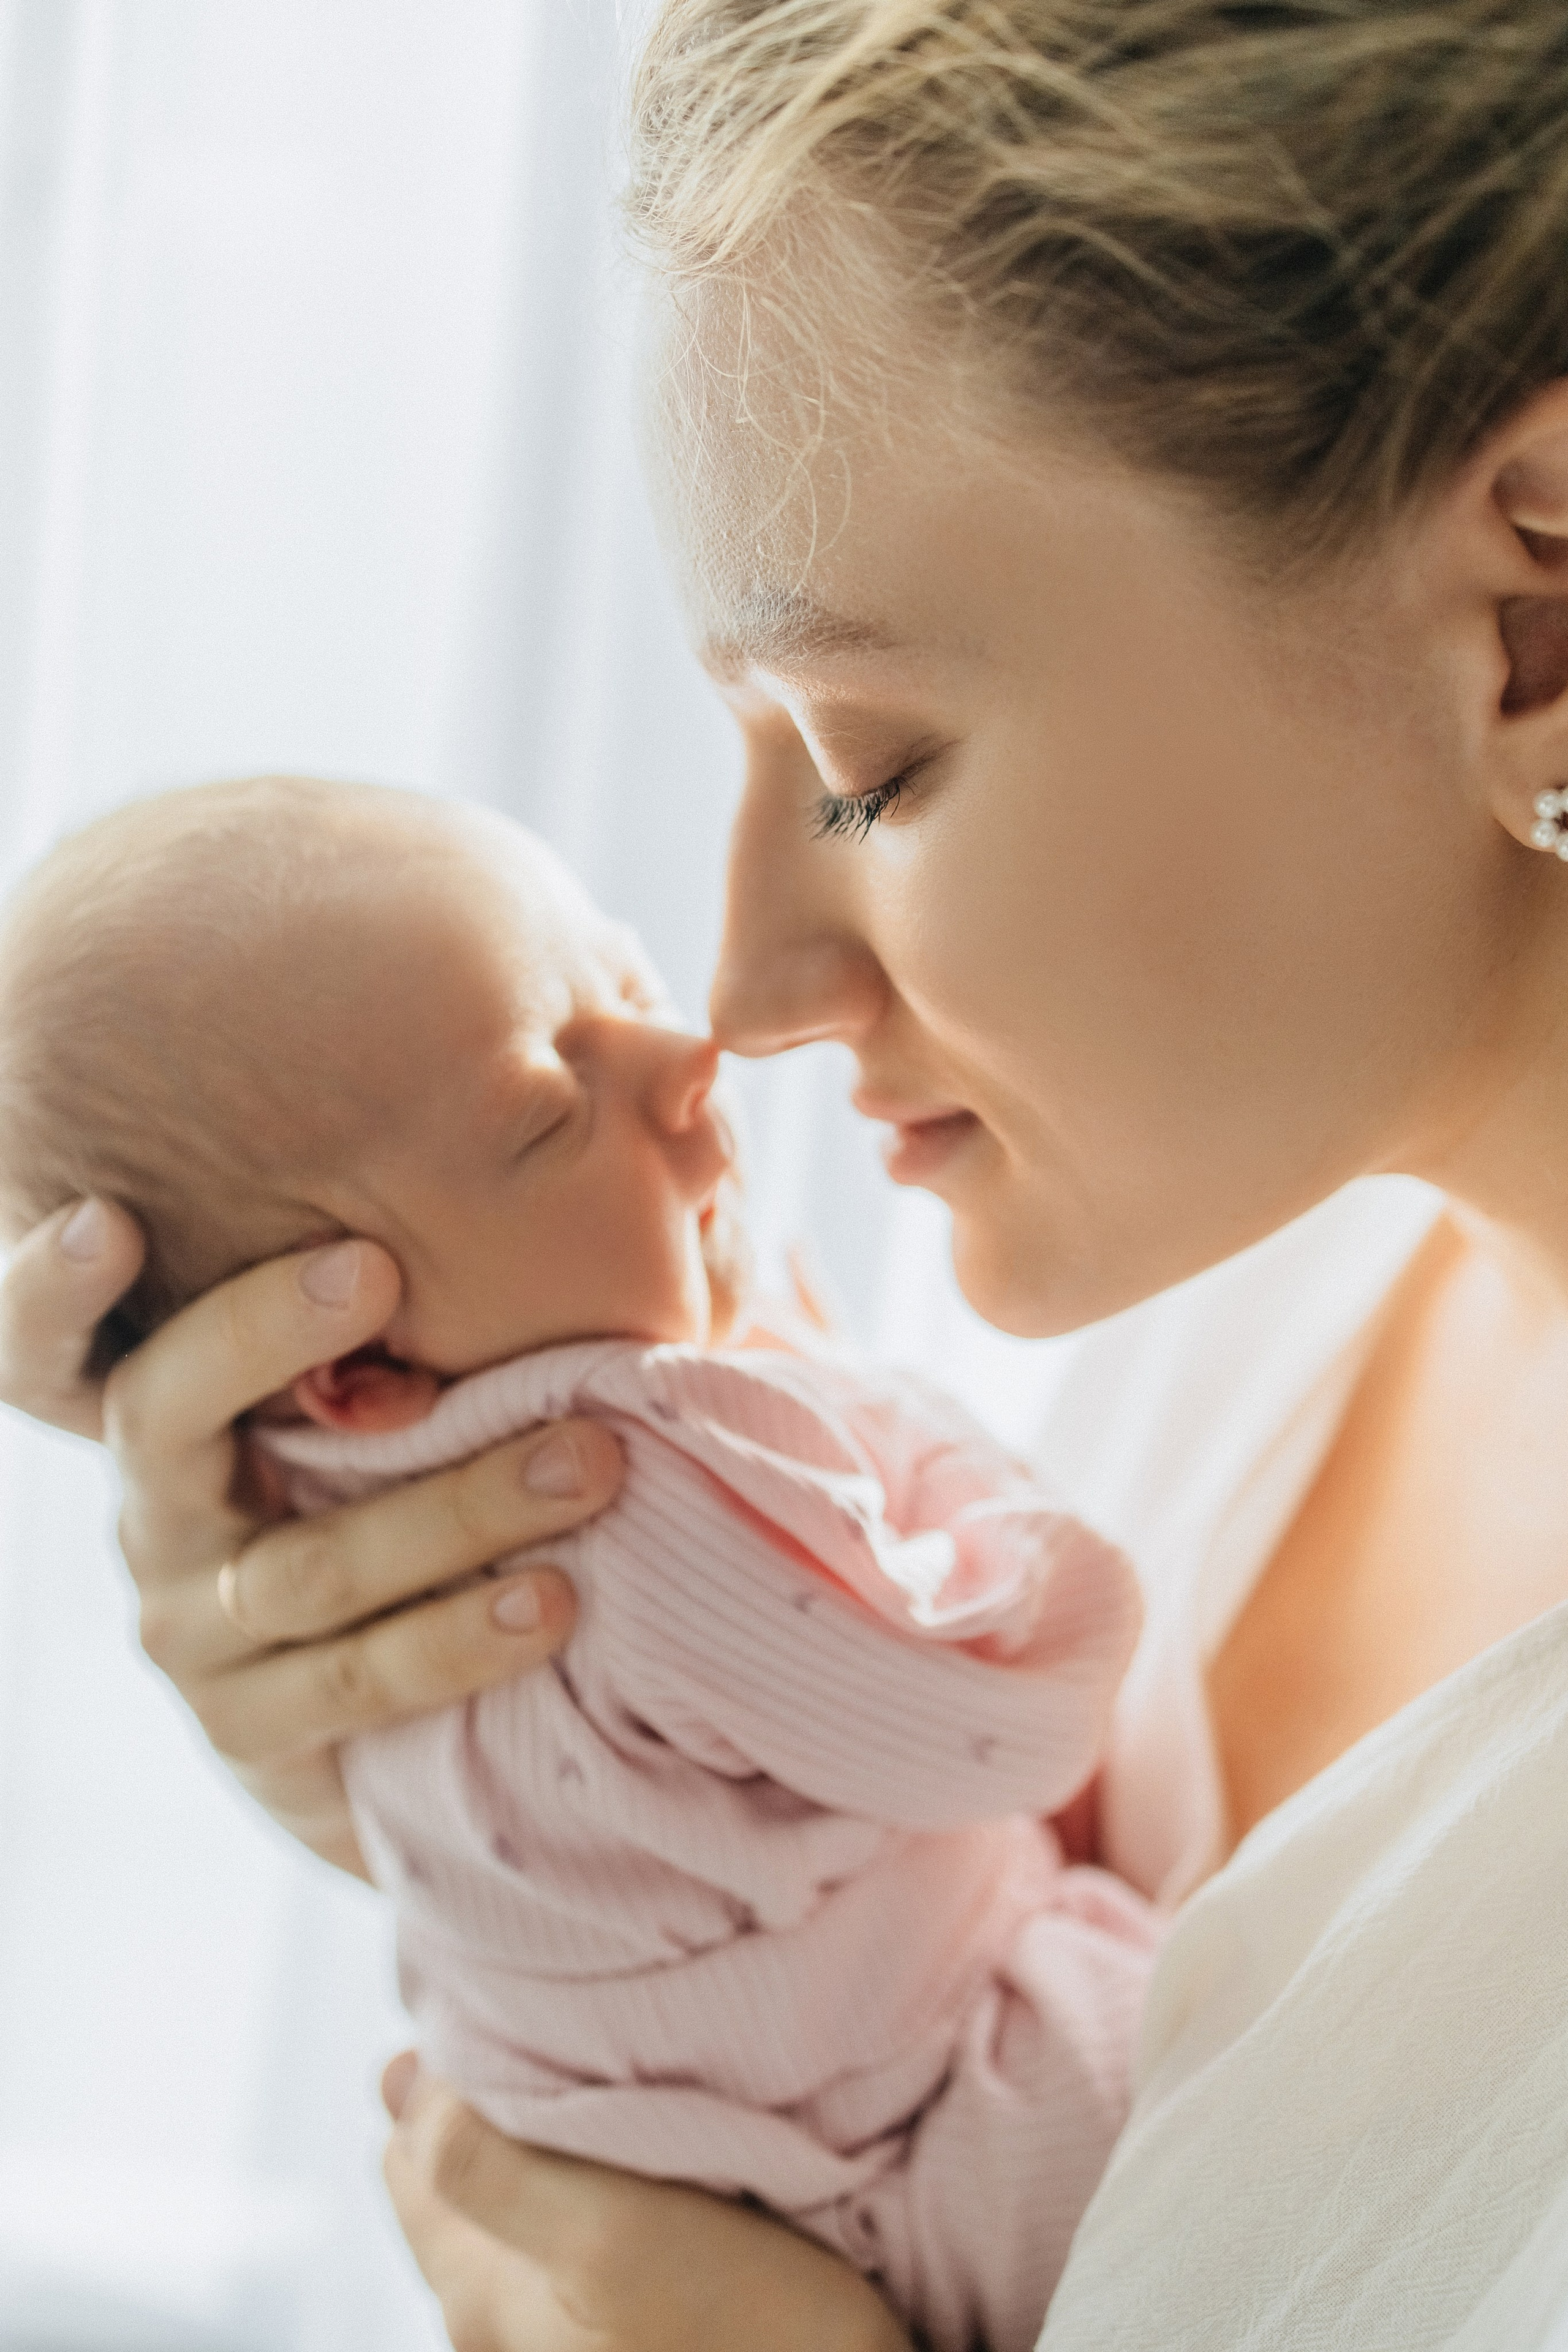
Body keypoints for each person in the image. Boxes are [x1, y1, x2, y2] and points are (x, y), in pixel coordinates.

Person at [6, 0, 1568, 2342]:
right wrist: (440, 1743)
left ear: (1537, 607)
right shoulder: (1201, 1254)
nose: (740, 992)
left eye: (876, 760)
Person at [0, 774, 1155, 2352]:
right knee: (1218, 2101)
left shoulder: (342, 1502)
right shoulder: (638, 1473)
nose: (690, 1059)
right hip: (909, 2150)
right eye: (552, 1102)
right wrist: (913, 1456)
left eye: (620, 980)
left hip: (722, 2167)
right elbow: (1007, 1714)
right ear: (350, 1364)